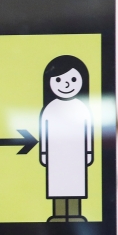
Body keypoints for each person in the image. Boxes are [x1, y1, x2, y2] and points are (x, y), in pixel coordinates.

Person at [39, 55, 93, 222]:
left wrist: (89, 153)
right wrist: (43, 153)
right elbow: (44, 133)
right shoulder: (50, 109)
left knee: (75, 187)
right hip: (56, 156)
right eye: (59, 80)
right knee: (59, 187)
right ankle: (59, 215)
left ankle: (75, 215)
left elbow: (88, 133)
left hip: (77, 155)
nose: (66, 84)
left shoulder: (82, 108)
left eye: (73, 79)